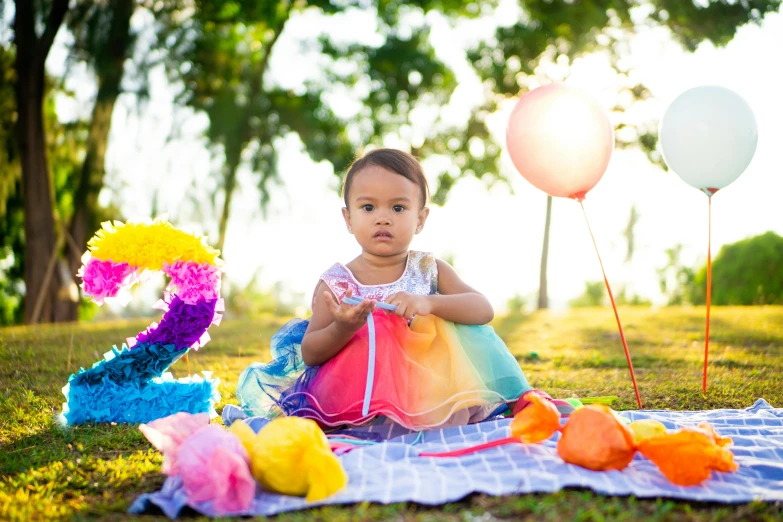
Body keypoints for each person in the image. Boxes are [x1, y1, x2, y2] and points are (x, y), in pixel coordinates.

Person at [236, 148, 532, 430]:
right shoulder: (337, 282)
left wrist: (429, 303)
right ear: (348, 218)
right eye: (368, 207)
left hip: (429, 394)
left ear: (420, 219)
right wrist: (343, 327)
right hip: (358, 401)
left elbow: (483, 309)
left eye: (398, 207)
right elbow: (311, 352)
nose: (383, 217)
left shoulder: (428, 268)